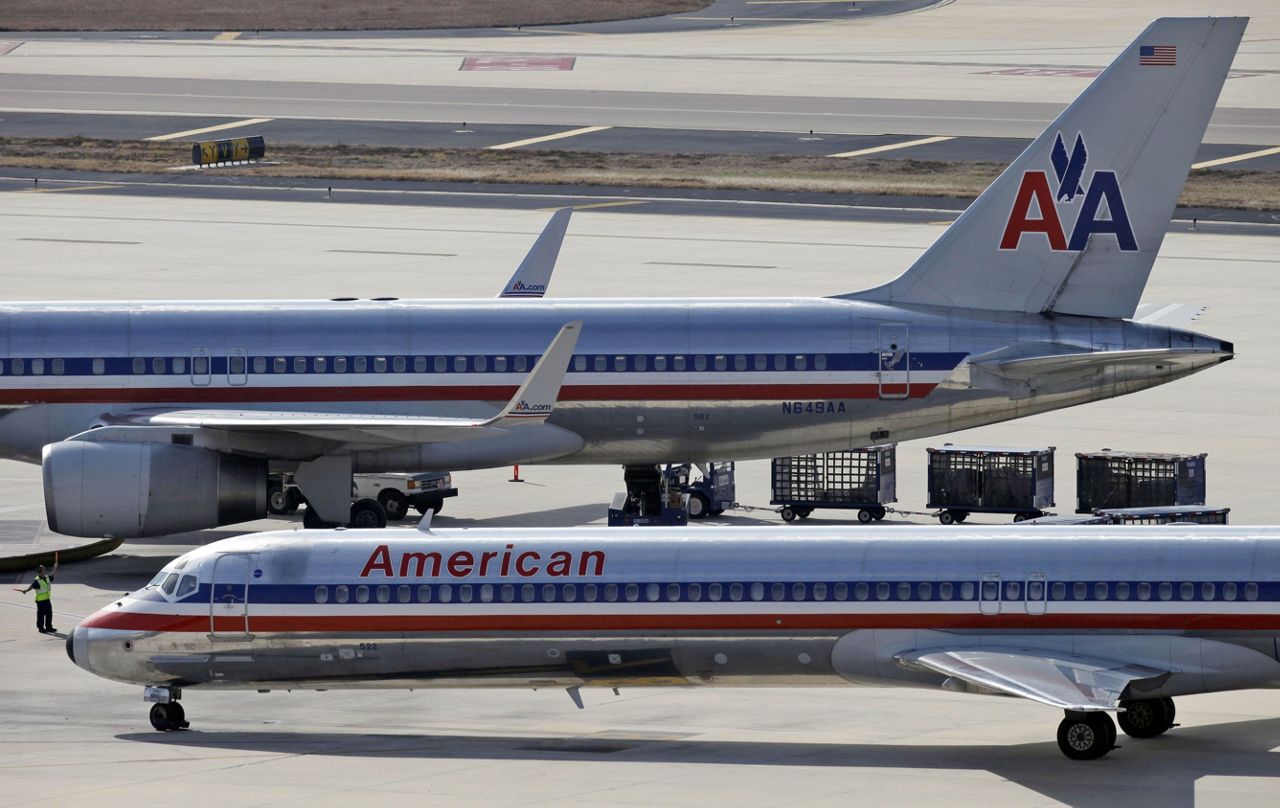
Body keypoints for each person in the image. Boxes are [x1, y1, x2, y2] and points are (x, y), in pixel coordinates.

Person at [21, 560, 58, 634]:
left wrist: (55, 568)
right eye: (44, 569)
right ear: (40, 571)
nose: (45, 570)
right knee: (41, 615)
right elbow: (32, 586)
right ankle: (41, 628)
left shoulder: (46, 577)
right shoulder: (37, 580)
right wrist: (26, 591)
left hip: (47, 599)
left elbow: (52, 575)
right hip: (40, 601)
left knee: (49, 614)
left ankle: (49, 627)